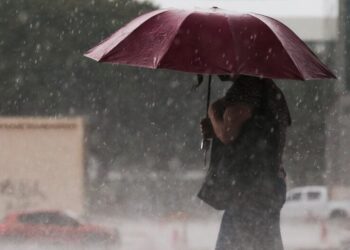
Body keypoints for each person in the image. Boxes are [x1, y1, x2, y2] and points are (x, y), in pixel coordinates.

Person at [198, 75, 291, 250]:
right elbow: (246, 133)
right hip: (270, 184)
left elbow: (227, 132)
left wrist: (213, 113)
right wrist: (215, 127)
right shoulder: (269, 90)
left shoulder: (247, 87)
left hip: (250, 188)